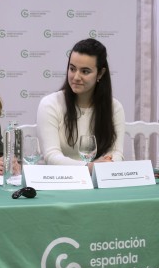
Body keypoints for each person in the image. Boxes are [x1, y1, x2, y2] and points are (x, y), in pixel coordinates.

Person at [36, 38, 125, 172]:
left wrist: (104, 166)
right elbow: (51, 156)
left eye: (85, 71)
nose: (76, 77)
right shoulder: (50, 104)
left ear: (100, 73)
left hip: (99, 181)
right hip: (61, 182)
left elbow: (116, 154)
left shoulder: (115, 108)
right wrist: (88, 168)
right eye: (72, 69)